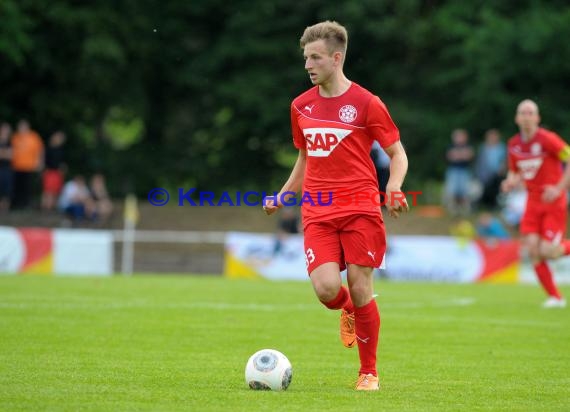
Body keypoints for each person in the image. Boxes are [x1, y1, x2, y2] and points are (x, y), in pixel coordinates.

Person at [263, 21, 409, 390]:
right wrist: (282, 196)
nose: (308, 65)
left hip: (361, 206)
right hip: (318, 210)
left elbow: (397, 154)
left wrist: (393, 186)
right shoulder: (300, 105)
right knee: (327, 289)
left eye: (315, 57)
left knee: (361, 287)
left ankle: (368, 372)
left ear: (336, 58)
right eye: (305, 58)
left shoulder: (367, 103)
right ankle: (346, 310)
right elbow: (305, 159)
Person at [501, 99, 570, 308]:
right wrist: (510, 181)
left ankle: (555, 296)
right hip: (532, 202)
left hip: (553, 203)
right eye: (523, 113)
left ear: (537, 118)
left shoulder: (548, 139)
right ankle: (556, 298)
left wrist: (559, 187)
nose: (527, 116)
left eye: (531, 113)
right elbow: (515, 171)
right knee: (532, 250)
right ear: (516, 118)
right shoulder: (514, 144)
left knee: (549, 251)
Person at [11, 119, 44, 209]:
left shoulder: (34, 136)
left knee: (28, 187)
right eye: (20, 126)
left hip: (30, 166)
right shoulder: (15, 137)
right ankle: (17, 204)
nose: (22, 128)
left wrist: (39, 162)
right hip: (17, 166)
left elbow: (40, 150)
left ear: (28, 127)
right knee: (17, 187)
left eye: (24, 126)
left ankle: (26, 204)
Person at [444, 128, 475, 216]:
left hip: (465, 171)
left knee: (465, 190)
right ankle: (453, 209)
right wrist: (462, 154)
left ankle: (465, 209)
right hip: (453, 170)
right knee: (452, 190)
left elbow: (469, 156)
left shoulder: (468, 146)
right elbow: (450, 156)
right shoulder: (450, 146)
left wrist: (458, 155)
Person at [475, 129, 507, 209]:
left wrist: (502, 169)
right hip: (485, 174)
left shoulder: (501, 147)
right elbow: (480, 162)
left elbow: (504, 160)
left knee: (495, 188)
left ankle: (493, 204)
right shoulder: (483, 148)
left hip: (497, 174)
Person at [41, 131, 66, 211]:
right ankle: (45, 208)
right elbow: (43, 161)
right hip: (49, 172)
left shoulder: (61, 150)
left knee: (55, 192)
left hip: (57, 173)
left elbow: (61, 163)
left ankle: (52, 208)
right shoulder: (48, 148)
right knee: (47, 191)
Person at [0, 122, 13, 212]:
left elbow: (11, 155)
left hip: (7, 169)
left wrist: (3, 153)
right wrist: (6, 153)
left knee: (7, 190)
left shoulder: (10, 142)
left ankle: (5, 210)